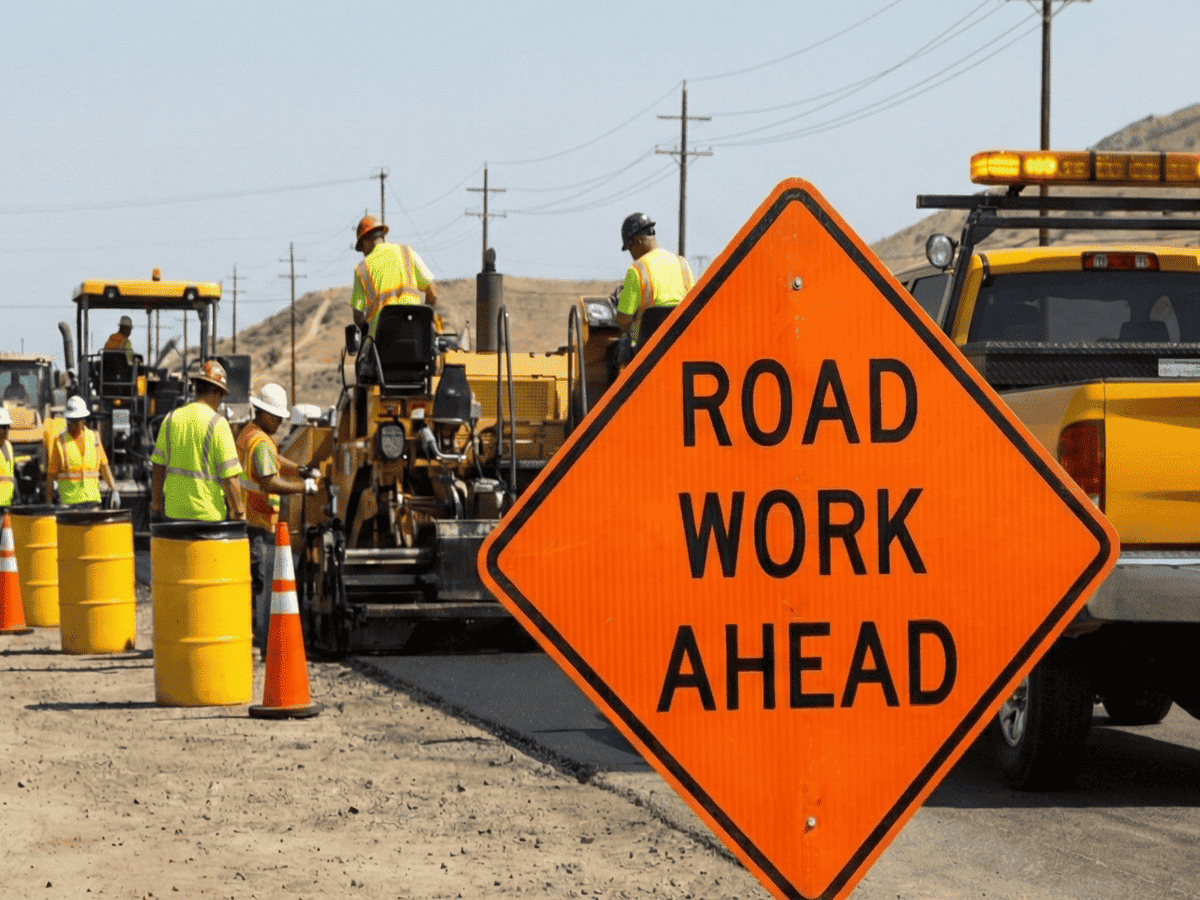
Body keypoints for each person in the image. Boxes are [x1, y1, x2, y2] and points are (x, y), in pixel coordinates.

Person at [236, 383, 318, 644]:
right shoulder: (260, 442)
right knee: (255, 582)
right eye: (279, 416)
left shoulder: (250, 433)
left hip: (246, 517)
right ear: (265, 413)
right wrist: (303, 487)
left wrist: (300, 469)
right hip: (255, 520)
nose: (282, 422)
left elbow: (274, 460)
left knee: (248, 580)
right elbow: (270, 481)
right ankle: (251, 638)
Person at [150, 359, 245, 523]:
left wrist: (156, 505)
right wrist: (238, 511)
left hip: (173, 515)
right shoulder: (218, 424)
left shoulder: (170, 418)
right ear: (217, 392)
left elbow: (158, 468)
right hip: (208, 518)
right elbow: (230, 478)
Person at [351, 214, 439, 342]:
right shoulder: (407, 252)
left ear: (365, 242)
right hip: (416, 342)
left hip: (381, 346)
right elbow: (433, 293)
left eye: (362, 249)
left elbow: (358, 317)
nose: (363, 254)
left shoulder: (361, 269)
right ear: (382, 236)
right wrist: (424, 323)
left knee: (363, 360)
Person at [615, 212, 695, 346]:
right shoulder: (683, 263)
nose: (632, 254)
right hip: (683, 343)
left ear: (637, 241)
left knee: (616, 350)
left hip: (647, 349)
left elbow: (624, 319)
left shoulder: (637, 269)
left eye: (630, 248)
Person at [45, 396, 120, 508]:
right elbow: (51, 474)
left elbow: (104, 467)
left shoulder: (94, 438)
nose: (74, 424)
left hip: (92, 501)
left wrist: (114, 490)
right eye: (72, 420)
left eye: (77, 420)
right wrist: (49, 503)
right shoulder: (60, 442)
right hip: (69, 504)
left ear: (83, 419)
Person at [0, 407, 15, 507]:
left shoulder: (8, 446)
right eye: (3, 427)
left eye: (7, 426)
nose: (6, 430)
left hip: (7, 502)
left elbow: (11, 475)